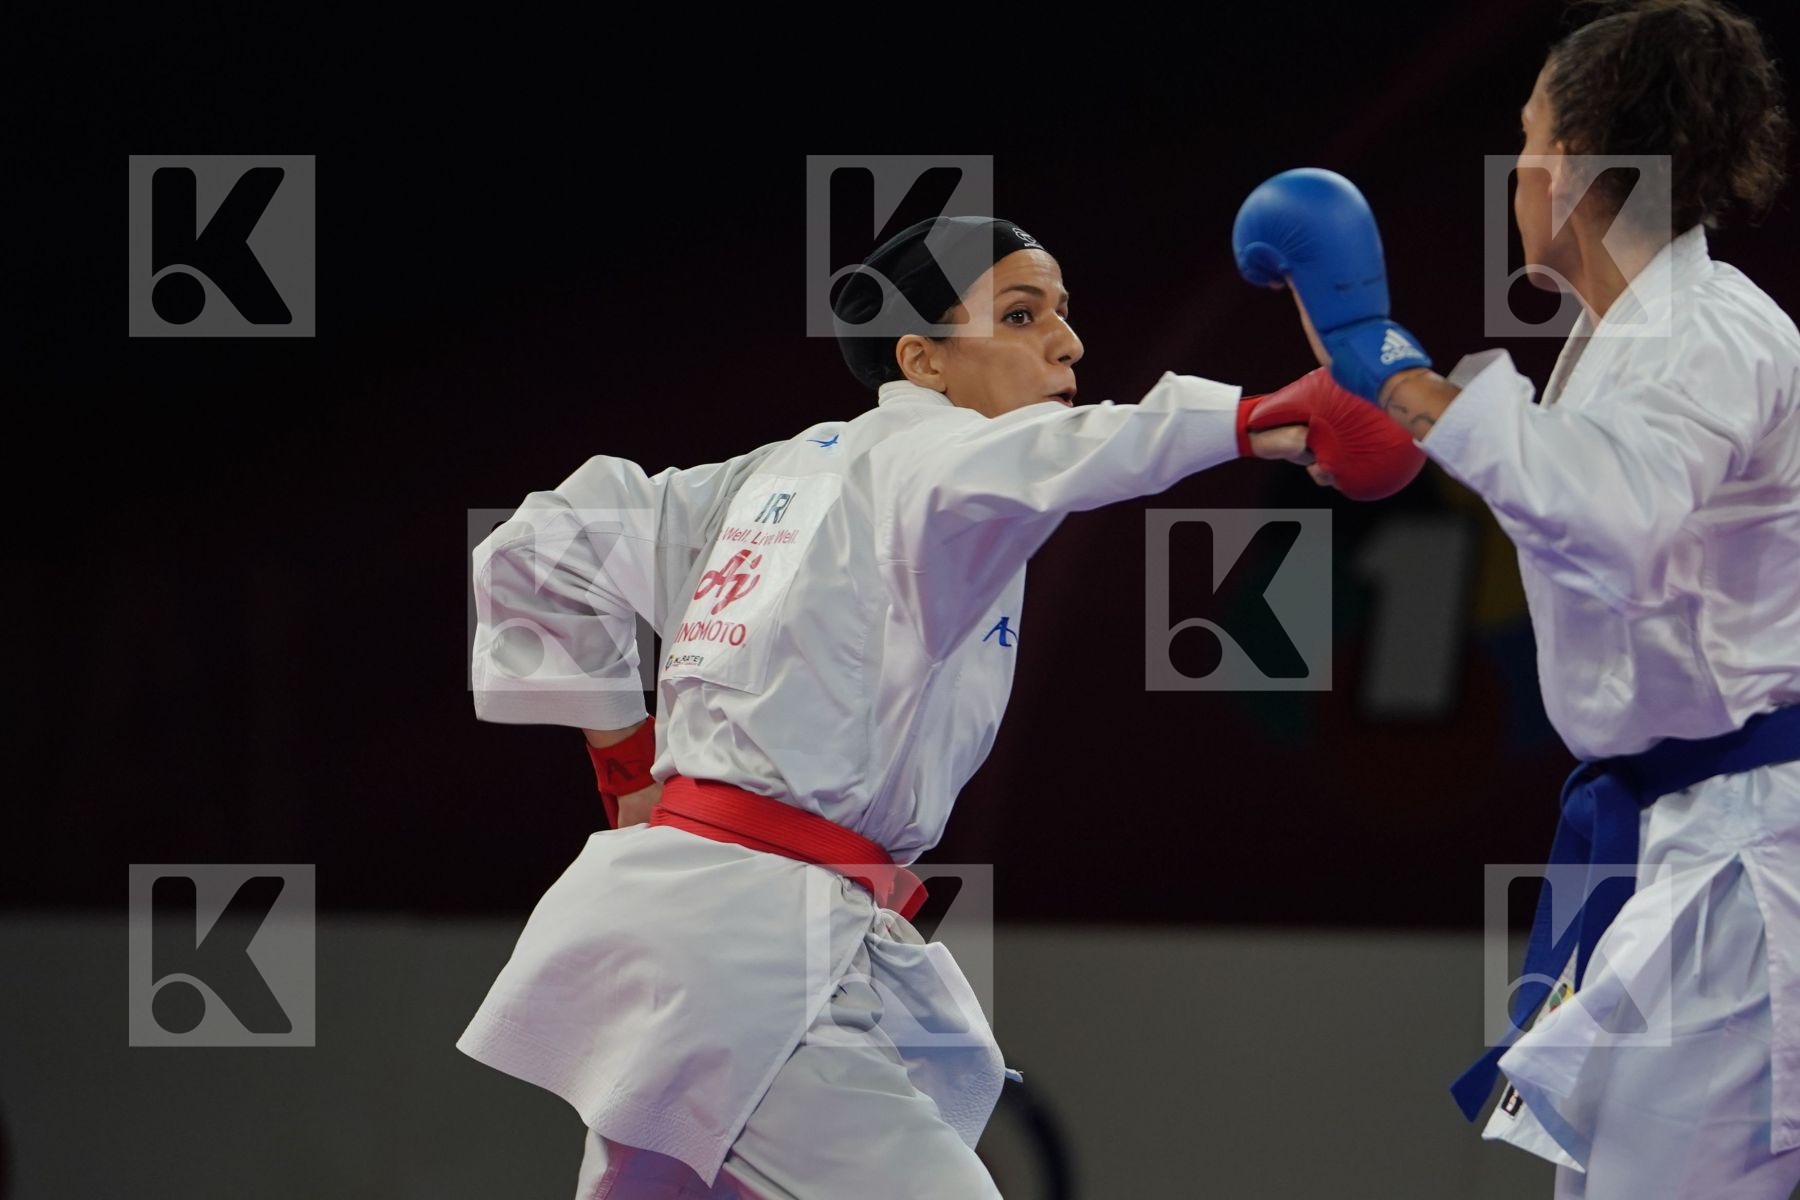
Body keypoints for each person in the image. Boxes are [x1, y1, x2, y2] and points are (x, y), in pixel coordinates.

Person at [458, 214, 1422, 1198]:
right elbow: (1074, 449)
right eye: (1020, 313)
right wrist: (1260, 417)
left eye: (1062, 314)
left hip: (708, 931)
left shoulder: (751, 483)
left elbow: (543, 546)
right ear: (920, 359)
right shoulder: (934, 458)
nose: (1068, 341)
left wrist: (626, 761)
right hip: (741, 963)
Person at [1232, 2, 1799, 1196]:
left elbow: (1617, 519)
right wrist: (1385, 376)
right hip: (1679, 839)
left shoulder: (1705, 332)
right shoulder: (1631, 339)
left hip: (1741, 857)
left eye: (1529, 136)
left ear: (1580, 166)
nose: (1518, 169)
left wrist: (1403, 377)